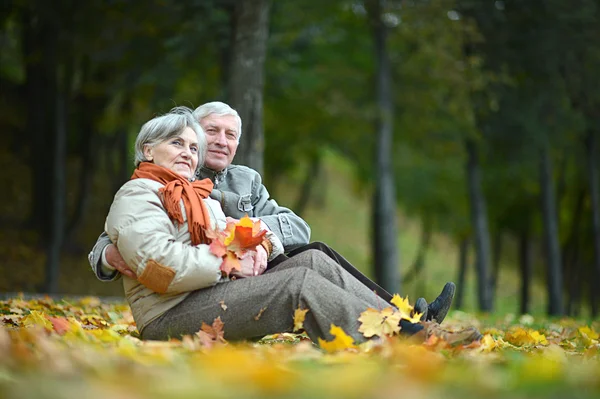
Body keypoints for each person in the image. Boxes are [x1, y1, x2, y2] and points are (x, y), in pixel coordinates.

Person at [104, 106, 481, 345]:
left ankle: (408, 325)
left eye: (191, 147)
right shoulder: (141, 193)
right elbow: (160, 265)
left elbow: (265, 231)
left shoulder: (195, 194)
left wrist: (257, 247)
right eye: (178, 143)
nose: (189, 152)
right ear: (148, 150)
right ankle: (398, 340)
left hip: (205, 292)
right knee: (296, 284)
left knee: (313, 261)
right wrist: (227, 261)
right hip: (168, 313)